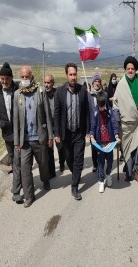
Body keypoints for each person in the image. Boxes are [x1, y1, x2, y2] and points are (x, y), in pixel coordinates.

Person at [14, 66, 53, 208]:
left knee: (43, 164)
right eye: (22, 77)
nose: (24, 79)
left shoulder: (40, 91)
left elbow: (48, 115)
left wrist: (50, 135)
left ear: (31, 76)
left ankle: (45, 179)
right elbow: (16, 120)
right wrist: (17, 141)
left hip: (39, 137)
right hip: (25, 141)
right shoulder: (17, 94)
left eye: (27, 77)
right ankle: (29, 197)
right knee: (25, 169)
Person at [113, 56, 138, 185]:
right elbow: (115, 105)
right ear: (125, 69)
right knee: (127, 151)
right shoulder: (121, 85)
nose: (130, 70)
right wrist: (116, 121)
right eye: (128, 68)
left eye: (132, 68)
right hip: (126, 126)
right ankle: (128, 172)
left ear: (135, 69)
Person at [54, 63, 89, 201]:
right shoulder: (60, 92)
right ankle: (76, 174)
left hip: (79, 133)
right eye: (70, 74)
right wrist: (57, 133)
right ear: (66, 75)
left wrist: (87, 130)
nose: (73, 77)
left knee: (79, 161)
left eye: (75, 74)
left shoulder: (82, 91)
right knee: (69, 158)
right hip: (66, 133)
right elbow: (56, 114)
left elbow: (86, 111)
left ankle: (74, 186)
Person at [0, 62, 22, 204]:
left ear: (11, 78)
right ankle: (19, 181)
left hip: (18, 132)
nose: (4, 81)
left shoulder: (18, 90)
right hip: (6, 132)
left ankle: (16, 191)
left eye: (7, 79)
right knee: (12, 159)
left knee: (17, 162)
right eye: (2, 78)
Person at [90, 91, 121, 192]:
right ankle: (101, 181)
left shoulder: (110, 111)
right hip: (99, 143)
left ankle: (108, 175)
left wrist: (116, 136)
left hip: (109, 142)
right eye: (100, 106)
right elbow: (93, 126)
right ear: (98, 104)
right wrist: (92, 136)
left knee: (110, 161)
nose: (102, 108)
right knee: (100, 163)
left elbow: (113, 123)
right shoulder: (95, 112)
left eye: (103, 106)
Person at [44, 74, 66, 175]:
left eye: (48, 82)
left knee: (60, 146)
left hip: (57, 124)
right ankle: (52, 171)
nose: (46, 85)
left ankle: (62, 162)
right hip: (47, 124)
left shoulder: (58, 93)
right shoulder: (42, 94)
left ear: (53, 83)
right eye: (45, 82)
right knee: (49, 148)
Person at [88, 73, 104, 173]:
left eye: (98, 81)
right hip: (92, 125)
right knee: (94, 146)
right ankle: (95, 164)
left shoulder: (104, 94)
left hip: (102, 124)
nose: (97, 83)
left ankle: (101, 163)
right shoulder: (88, 95)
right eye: (95, 81)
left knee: (102, 145)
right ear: (92, 83)